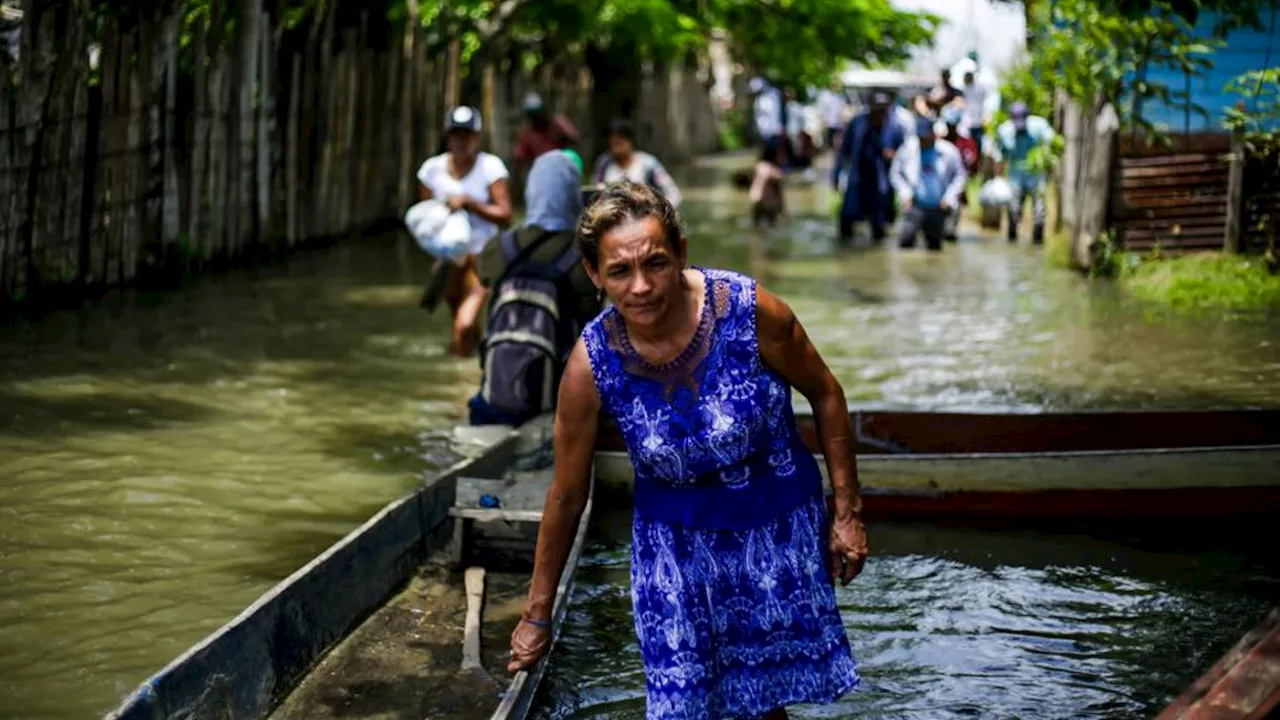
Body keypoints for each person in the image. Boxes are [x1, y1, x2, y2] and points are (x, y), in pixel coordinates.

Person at [507, 181, 868, 719]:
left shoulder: (749, 311)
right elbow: (566, 494)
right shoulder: (591, 363)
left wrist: (847, 513)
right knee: (682, 706)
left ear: (680, 252)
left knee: (763, 703)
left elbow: (826, 394)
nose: (642, 287)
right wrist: (537, 613)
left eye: (655, 263)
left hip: (774, 529)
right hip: (672, 545)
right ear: (593, 275)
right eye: (619, 272)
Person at [469, 151, 601, 426]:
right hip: (557, 401)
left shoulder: (499, 247)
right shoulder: (586, 257)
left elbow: (482, 277)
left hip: (496, 397)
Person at [416, 106, 513, 356]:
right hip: (450, 260)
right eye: (456, 134)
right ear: (447, 137)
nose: (461, 141)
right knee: (465, 327)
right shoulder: (431, 171)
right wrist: (436, 259)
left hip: (483, 256)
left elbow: (505, 216)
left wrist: (469, 203)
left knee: (463, 325)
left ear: (477, 136)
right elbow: (426, 221)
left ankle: (458, 389)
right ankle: (476, 368)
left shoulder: (491, 167)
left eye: (467, 134)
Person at [831, 91, 905, 245]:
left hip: (881, 181)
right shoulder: (857, 123)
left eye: (882, 109)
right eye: (876, 109)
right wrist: (836, 175)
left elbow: (905, 155)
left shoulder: (895, 127)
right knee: (847, 220)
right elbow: (844, 151)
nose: (879, 113)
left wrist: (893, 156)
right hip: (858, 177)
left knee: (879, 225)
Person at [891, 117, 967, 252]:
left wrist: (949, 198)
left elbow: (960, 176)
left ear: (933, 134)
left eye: (925, 136)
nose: (922, 140)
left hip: (938, 207)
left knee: (934, 247)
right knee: (905, 244)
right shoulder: (907, 149)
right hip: (914, 205)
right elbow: (895, 173)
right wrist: (905, 193)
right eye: (920, 137)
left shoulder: (949, 151)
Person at [993, 101, 1055, 244]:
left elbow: (1051, 145)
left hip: (1036, 175)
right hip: (1015, 177)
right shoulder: (1004, 131)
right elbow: (1000, 157)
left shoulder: (1039, 126)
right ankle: (1012, 240)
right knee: (1013, 211)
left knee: (1039, 212)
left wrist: (1046, 160)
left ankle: (1037, 242)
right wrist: (998, 178)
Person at [591, 118, 683, 208]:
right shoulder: (604, 164)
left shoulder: (648, 164)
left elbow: (673, 194)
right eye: (612, 144)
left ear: (629, 142)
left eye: (619, 144)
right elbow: (594, 193)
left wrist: (657, 212)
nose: (615, 150)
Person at [941, 105, 979, 241]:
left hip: (958, 182)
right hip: (940, 182)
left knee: (954, 208)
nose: (950, 128)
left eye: (952, 125)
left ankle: (950, 231)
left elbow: (973, 161)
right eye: (948, 125)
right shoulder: (940, 142)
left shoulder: (966, 142)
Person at [513, 92, 571, 176]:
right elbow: (519, 159)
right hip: (541, 174)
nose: (536, 119)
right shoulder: (527, 133)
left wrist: (559, 131)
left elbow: (574, 139)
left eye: (537, 114)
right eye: (532, 116)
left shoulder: (556, 124)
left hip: (561, 169)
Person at [749, 141, 786, 228]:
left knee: (756, 226)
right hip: (767, 202)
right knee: (772, 226)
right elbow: (779, 193)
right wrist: (782, 210)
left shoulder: (759, 166)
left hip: (754, 199)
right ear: (774, 156)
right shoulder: (775, 171)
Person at [959, 70, 990, 157]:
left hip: (978, 121)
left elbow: (985, 103)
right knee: (968, 143)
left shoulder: (980, 88)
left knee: (978, 142)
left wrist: (985, 116)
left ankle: (978, 160)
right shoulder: (963, 89)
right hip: (967, 122)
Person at [818, 83, 849, 151]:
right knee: (829, 141)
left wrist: (843, 120)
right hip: (829, 123)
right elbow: (823, 110)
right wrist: (823, 121)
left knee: (837, 142)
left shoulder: (840, 97)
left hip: (838, 123)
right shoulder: (826, 97)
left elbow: (843, 110)